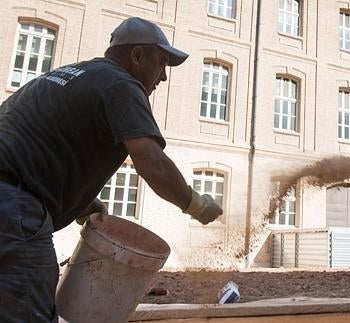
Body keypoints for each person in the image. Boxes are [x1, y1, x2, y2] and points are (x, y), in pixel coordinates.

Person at [0, 17, 222, 322]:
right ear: (137, 56)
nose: (164, 77)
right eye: (161, 63)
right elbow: (152, 162)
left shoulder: (69, 75)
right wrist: (193, 203)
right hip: (13, 212)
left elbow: (37, 140)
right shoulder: (122, 84)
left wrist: (81, 202)